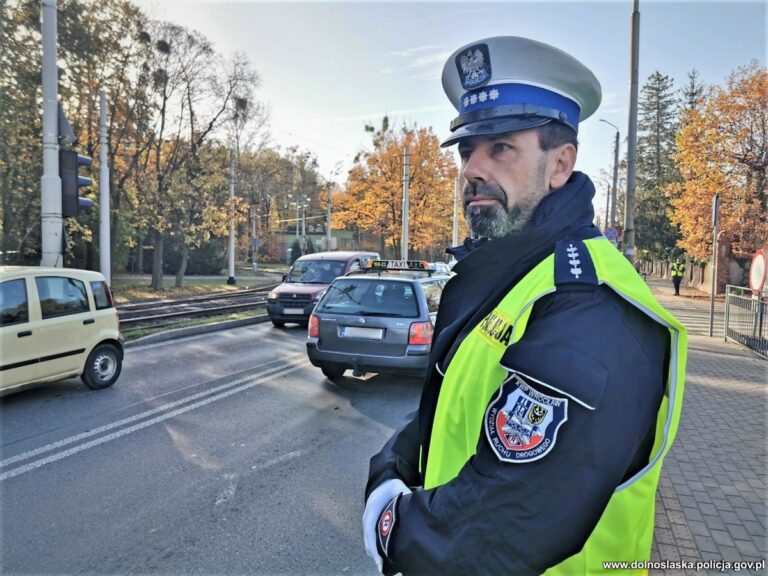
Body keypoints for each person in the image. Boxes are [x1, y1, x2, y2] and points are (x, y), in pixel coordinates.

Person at [362, 37, 688, 575]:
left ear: (560, 164)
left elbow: (502, 524)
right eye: (468, 151)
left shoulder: (589, 303)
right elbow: (451, 403)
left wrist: (393, 524)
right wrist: (394, 462)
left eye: (501, 148)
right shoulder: (510, 273)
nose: (472, 169)